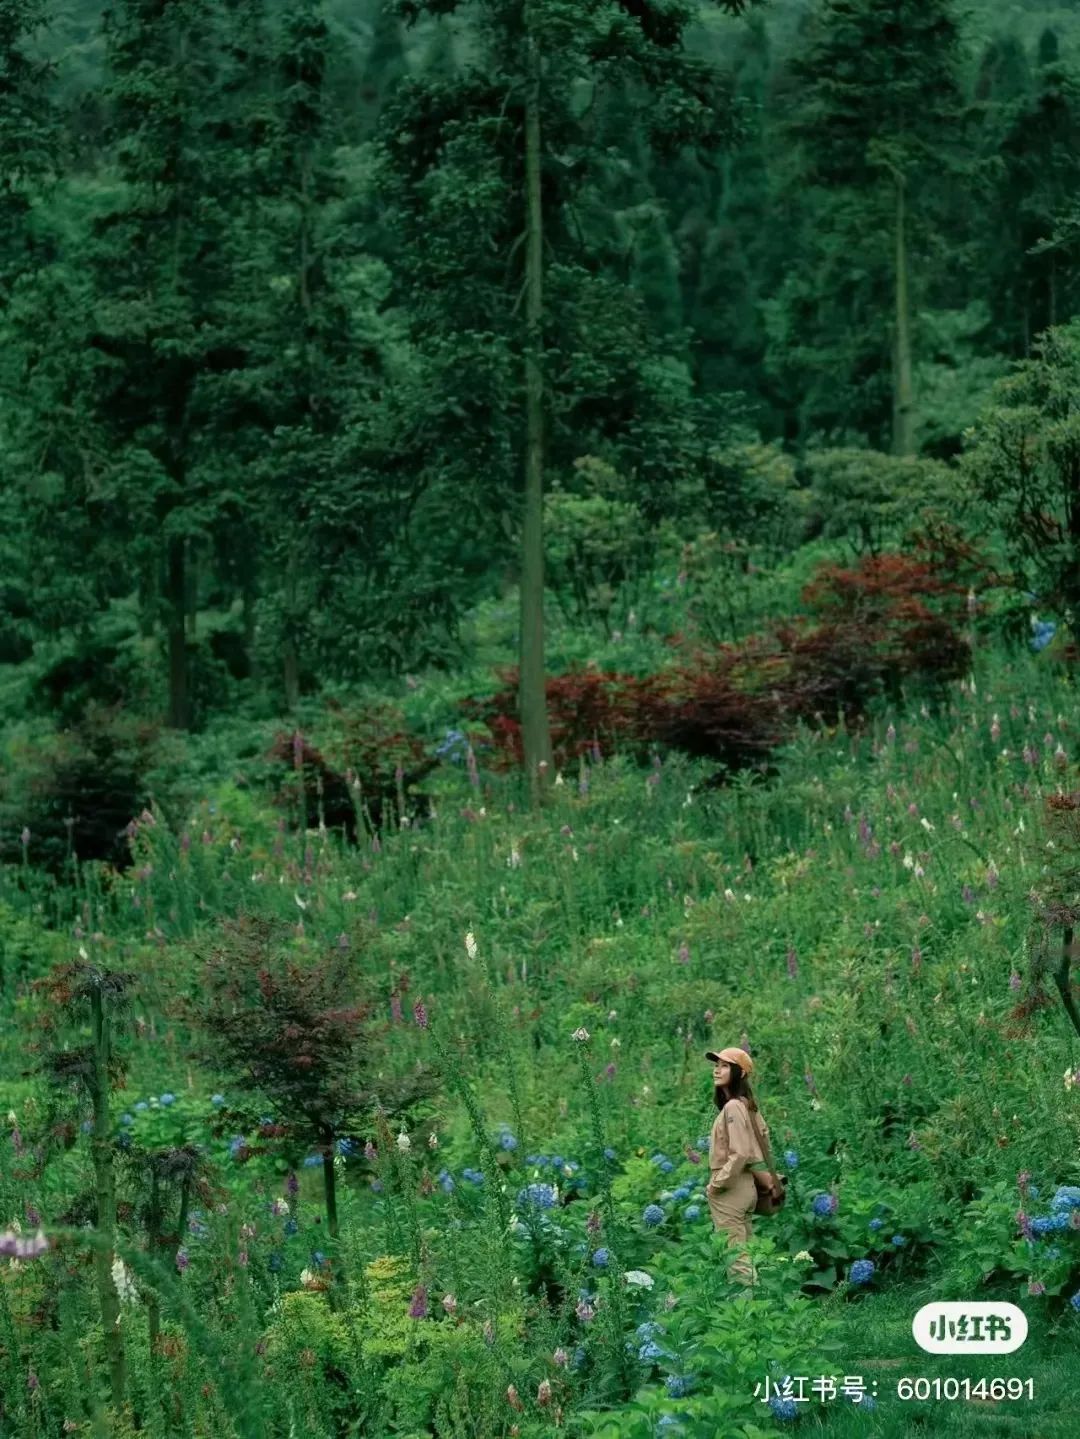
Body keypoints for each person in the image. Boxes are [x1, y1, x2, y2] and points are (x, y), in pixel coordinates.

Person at [704, 1046, 778, 1285]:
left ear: (741, 1073)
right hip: (745, 1185)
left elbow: (741, 1153)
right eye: (717, 1065)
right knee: (746, 1254)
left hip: (731, 1188)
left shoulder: (733, 1107)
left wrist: (717, 1184)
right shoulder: (747, 1105)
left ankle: (748, 1306)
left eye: (725, 1066)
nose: (717, 1070)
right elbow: (763, 1143)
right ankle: (758, 1300)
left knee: (736, 1260)